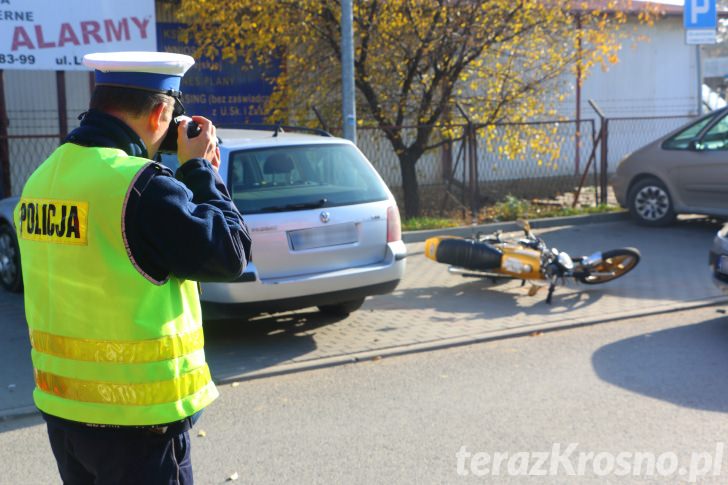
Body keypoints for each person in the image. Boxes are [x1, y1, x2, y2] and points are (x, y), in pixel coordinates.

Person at [14, 51, 251, 484]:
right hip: (139, 427)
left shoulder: (43, 178)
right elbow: (229, 253)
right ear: (162, 110)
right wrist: (200, 169)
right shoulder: (141, 186)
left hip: (65, 414)